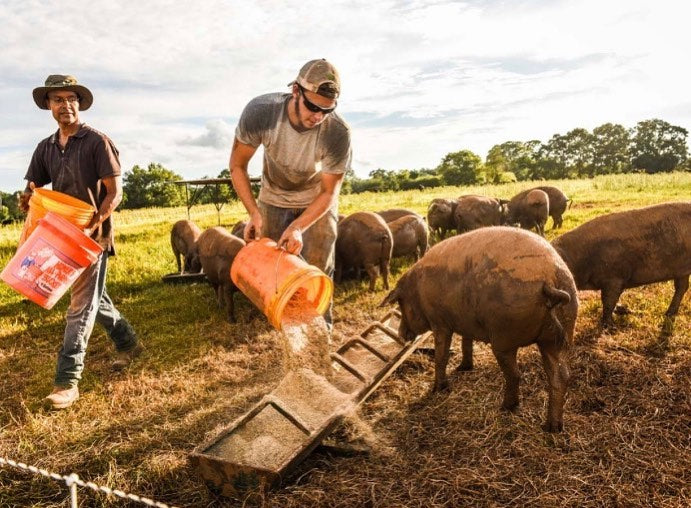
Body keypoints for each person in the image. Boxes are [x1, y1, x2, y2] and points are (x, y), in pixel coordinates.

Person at [19, 75, 141, 410]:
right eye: (57, 100)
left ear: (79, 103)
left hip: (90, 239)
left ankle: (66, 382)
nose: (65, 105)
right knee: (93, 301)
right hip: (58, 237)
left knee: (79, 308)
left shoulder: (97, 142)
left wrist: (94, 225)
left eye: (71, 99)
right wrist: (26, 197)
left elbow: (115, 193)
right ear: (49, 106)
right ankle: (128, 343)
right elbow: (33, 186)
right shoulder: (45, 147)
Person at [229, 59, 352, 327]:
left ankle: (321, 335)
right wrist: (254, 212)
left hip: (316, 200)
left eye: (326, 110)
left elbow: (329, 190)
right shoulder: (261, 113)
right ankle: (286, 335)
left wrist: (298, 226)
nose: (318, 116)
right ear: (296, 90)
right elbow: (237, 166)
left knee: (319, 268)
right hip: (273, 198)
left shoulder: (337, 133)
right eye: (312, 106)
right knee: (275, 271)